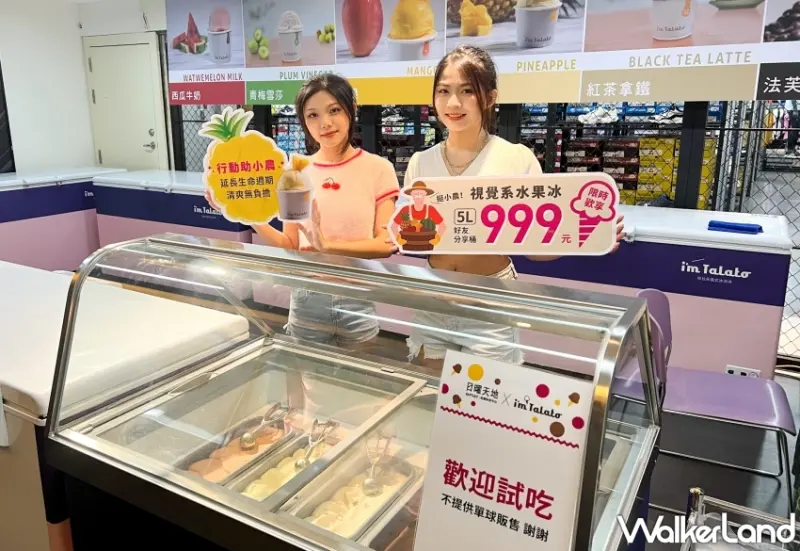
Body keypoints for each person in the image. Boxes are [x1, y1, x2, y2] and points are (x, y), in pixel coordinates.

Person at [402, 45, 624, 371]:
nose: (453, 103)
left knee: (483, 395)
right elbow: (413, 236)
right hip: (433, 300)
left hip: (492, 302)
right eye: (444, 91)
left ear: (490, 97)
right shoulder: (421, 163)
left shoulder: (516, 158)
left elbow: (535, 249)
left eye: (467, 91)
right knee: (431, 392)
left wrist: (586, 237)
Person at [206, 73, 400, 348]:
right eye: (313, 115)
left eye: (334, 110)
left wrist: (328, 247)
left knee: (359, 374)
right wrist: (248, 216)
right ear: (304, 122)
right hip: (308, 296)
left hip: (357, 296)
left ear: (352, 109)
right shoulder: (297, 171)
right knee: (305, 372)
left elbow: (386, 243)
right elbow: (290, 243)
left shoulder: (378, 169)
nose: (325, 123)